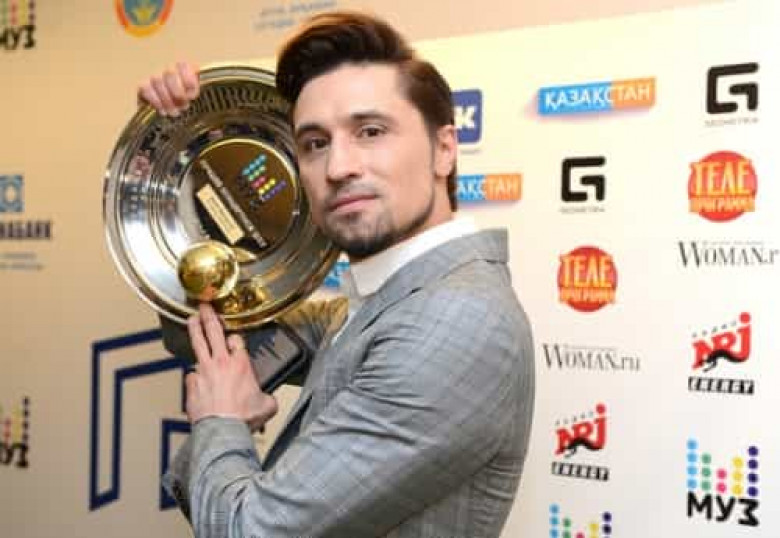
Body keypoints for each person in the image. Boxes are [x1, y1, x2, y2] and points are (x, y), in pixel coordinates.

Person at [141, 11, 535, 538]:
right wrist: (170, 149)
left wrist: (221, 418)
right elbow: (211, 335)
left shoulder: (454, 320)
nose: (338, 167)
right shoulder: (389, 298)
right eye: (315, 143)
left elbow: (249, 530)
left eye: (370, 131)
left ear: (444, 149)